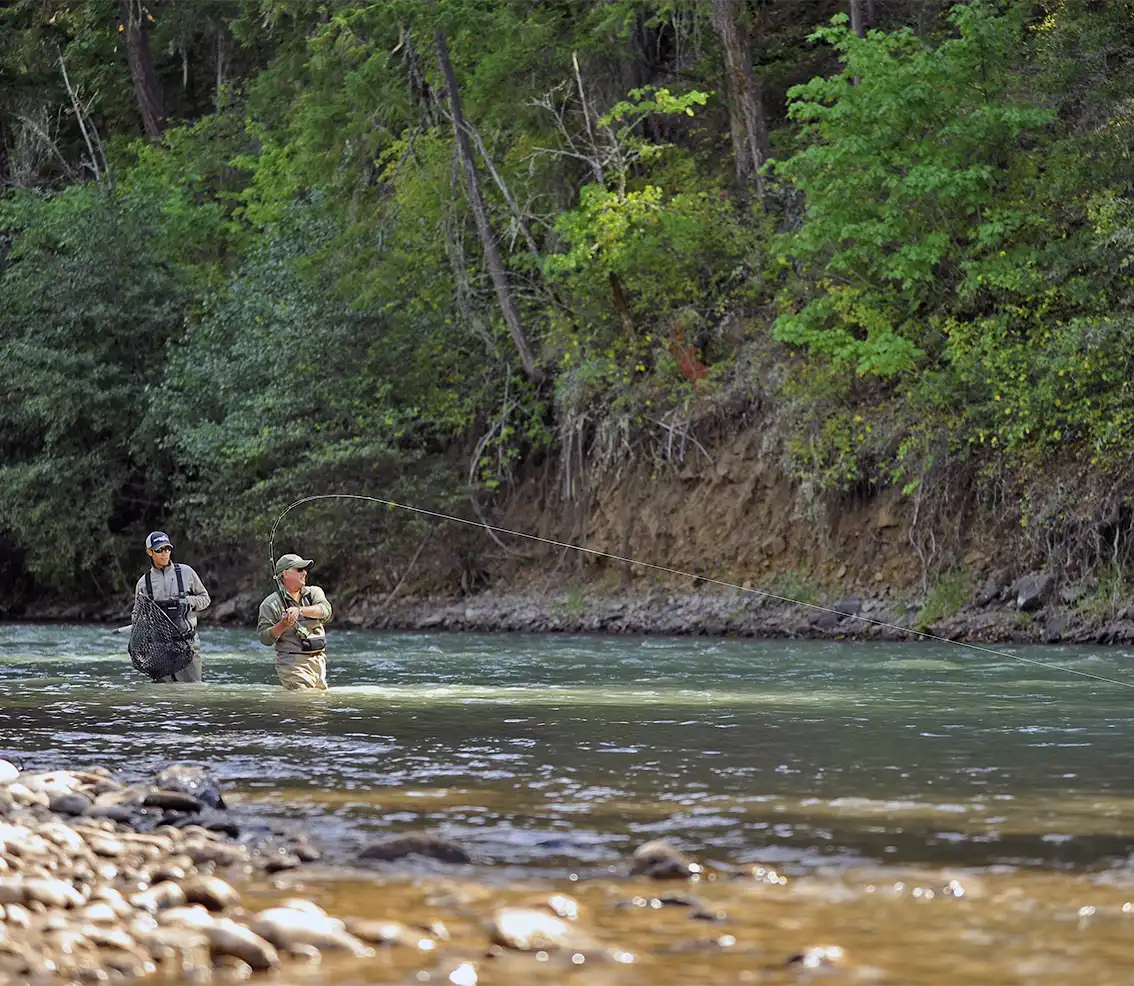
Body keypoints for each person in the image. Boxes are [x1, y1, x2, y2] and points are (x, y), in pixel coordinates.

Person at [132, 531, 211, 682]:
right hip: (159, 651)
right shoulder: (143, 583)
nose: (164, 553)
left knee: (192, 692)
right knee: (163, 694)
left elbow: (205, 599)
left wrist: (188, 602)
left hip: (188, 645)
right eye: (159, 550)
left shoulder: (187, 572)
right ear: (149, 552)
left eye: (167, 549)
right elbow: (137, 617)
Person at [257, 553, 333, 690]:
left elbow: (325, 610)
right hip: (292, 665)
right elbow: (265, 638)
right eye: (299, 569)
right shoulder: (270, 604)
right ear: (285, 573)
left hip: (319, 662)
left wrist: (299, 610)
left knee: (319, 701)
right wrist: (282, 625)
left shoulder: (314, 593)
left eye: (305, 569)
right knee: (304, 701)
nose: (304, 573)